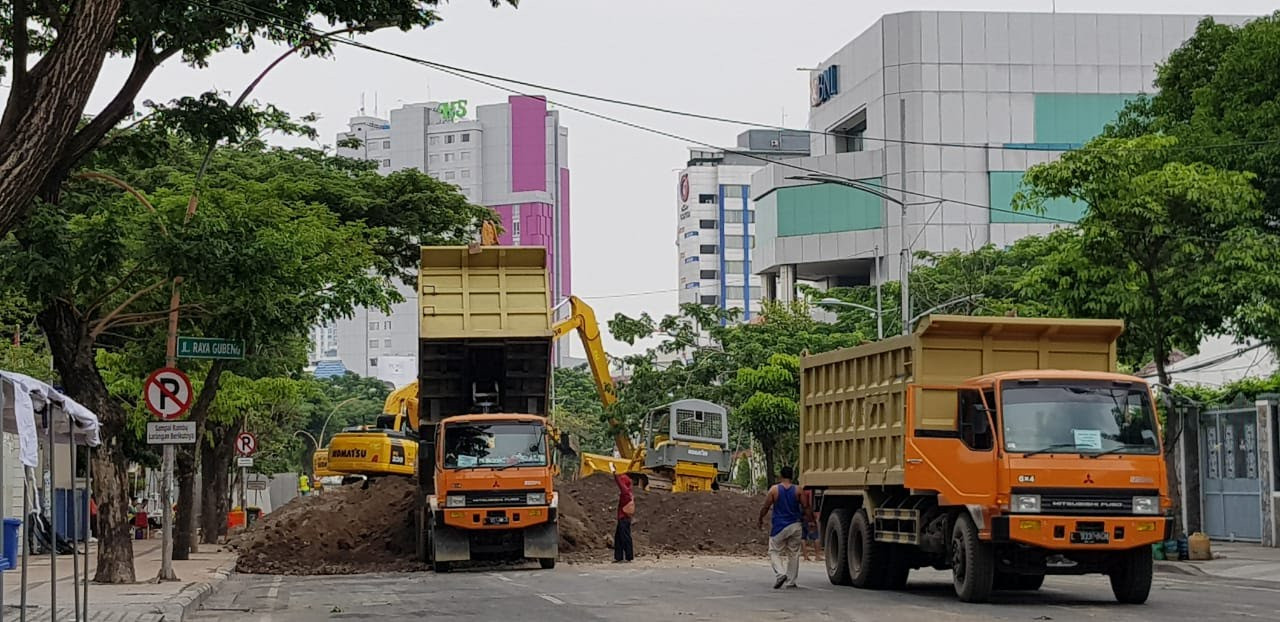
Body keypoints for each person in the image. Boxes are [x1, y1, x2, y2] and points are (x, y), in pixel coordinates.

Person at [757, 466, 814, 589]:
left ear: (781, 476)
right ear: (792, 476)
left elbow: (766, 506)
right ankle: (791, 581)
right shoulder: (798, 490)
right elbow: (806, 507)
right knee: (793, 553)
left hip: (779, 526)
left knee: (774, 551)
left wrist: (760, 518)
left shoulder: (774, 490)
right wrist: (811, 521)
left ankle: (780, 574)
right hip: (795, 525)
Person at [609, 463, 635, 563]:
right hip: (625, 518)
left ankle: (628, 556)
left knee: (624, 537)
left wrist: (614, 473)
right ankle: (619, 557)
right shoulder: (630, 493)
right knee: (619, 537)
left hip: (623, 518)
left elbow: (620, 484)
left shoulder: (625, 493)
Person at [800, 488, 822, 561]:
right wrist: (811, 519)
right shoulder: (809, 492)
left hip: (801, 518)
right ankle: (817, 556)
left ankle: (805, 556)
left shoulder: (799, 492)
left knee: (803, 538)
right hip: (808, 518)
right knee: (816, 537)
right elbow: (808, 506)